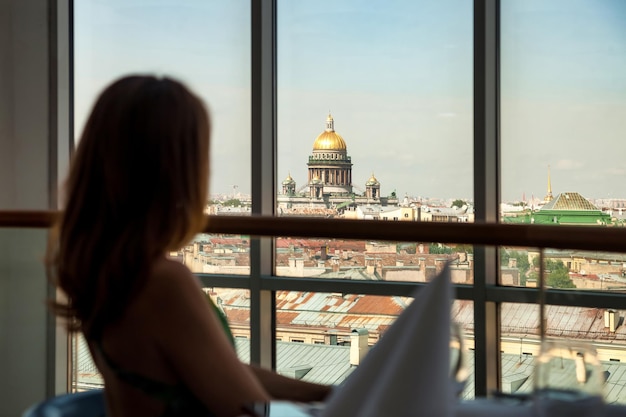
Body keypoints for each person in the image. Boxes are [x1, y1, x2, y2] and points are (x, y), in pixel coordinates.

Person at [46, 75, 331, 417]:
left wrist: (325, 392)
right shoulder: (163, 281)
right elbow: (245, 408)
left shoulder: (97, 263)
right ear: (176, 171)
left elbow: (208, 370)